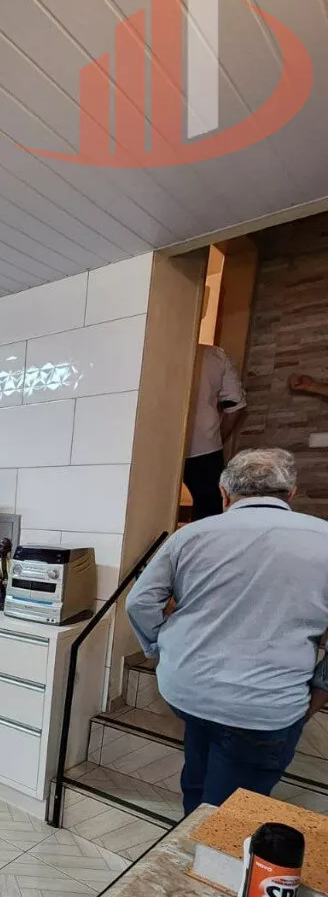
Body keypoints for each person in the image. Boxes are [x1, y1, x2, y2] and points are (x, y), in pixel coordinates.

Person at [126, 448, 328, 815]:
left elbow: (139, 603)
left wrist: (159, 646)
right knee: (232, 813)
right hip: (264, 704)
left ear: (224, 494)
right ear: (291, 493)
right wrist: (321, 689)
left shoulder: (190, 536)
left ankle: (192, 830)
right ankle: (205, 841)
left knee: (198, 780)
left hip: (188, 689)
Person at [183, 343, 247, 520]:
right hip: (205, 446)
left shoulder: (151, 348)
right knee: (209, 512)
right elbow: (236, 405)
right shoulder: (214, 355)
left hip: (157, 444)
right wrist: (218, 437)